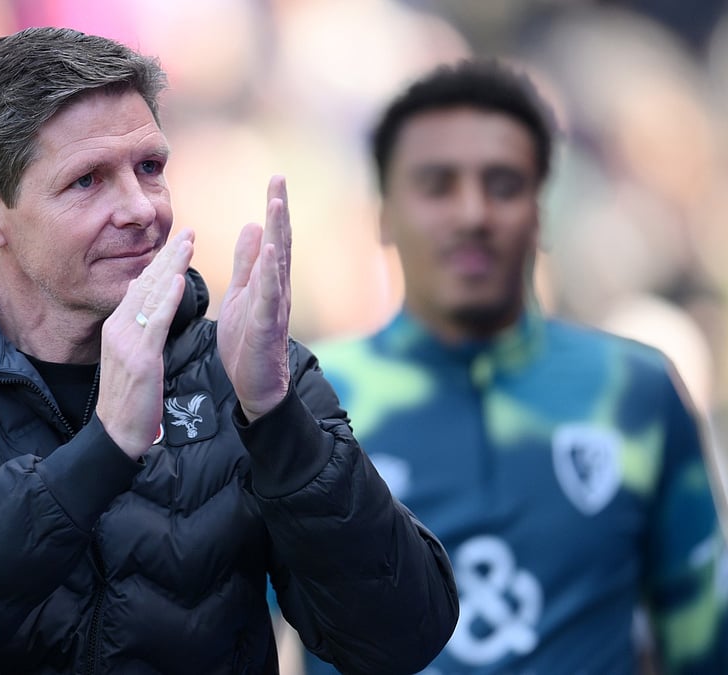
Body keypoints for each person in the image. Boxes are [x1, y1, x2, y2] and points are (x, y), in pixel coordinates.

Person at [0, 26, 458, 675]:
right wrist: (101, 451)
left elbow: (400, 635)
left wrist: (278, 421)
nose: (141, 207)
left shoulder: (247, 371)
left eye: (150, 168)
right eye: (88, 181)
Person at [297, 59, 728, 674]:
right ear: (384, 217)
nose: (473, 213)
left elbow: (703, 644)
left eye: (503, 183)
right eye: (437, 184)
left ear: (542, 213)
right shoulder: (307, 402)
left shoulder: (638, 392)